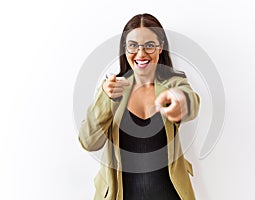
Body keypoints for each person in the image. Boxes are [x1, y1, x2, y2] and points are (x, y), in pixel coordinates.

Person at [78, 13, 200, 200]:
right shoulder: (112, 89)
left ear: (160, 47)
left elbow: (190, 101)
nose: (141, 54)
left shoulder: (174, 83)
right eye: (133, 45)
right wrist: (105, 97)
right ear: (124, 49)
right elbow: (88, 142)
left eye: (149, 45)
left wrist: (179, 102)